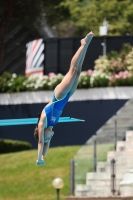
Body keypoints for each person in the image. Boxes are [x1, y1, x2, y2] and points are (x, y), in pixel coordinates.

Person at [34, 31, 93, 165]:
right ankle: (86, 45)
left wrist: (38, 157)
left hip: (58, 96)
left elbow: (41, 142)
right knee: (78, 71)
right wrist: (44, 157)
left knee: (72, 70)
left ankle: (82, 44)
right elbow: (46, 144)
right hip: (67, 97)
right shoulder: (52, 125)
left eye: (48, 138)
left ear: (42, 134)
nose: (51, 137)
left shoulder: (42, 123)